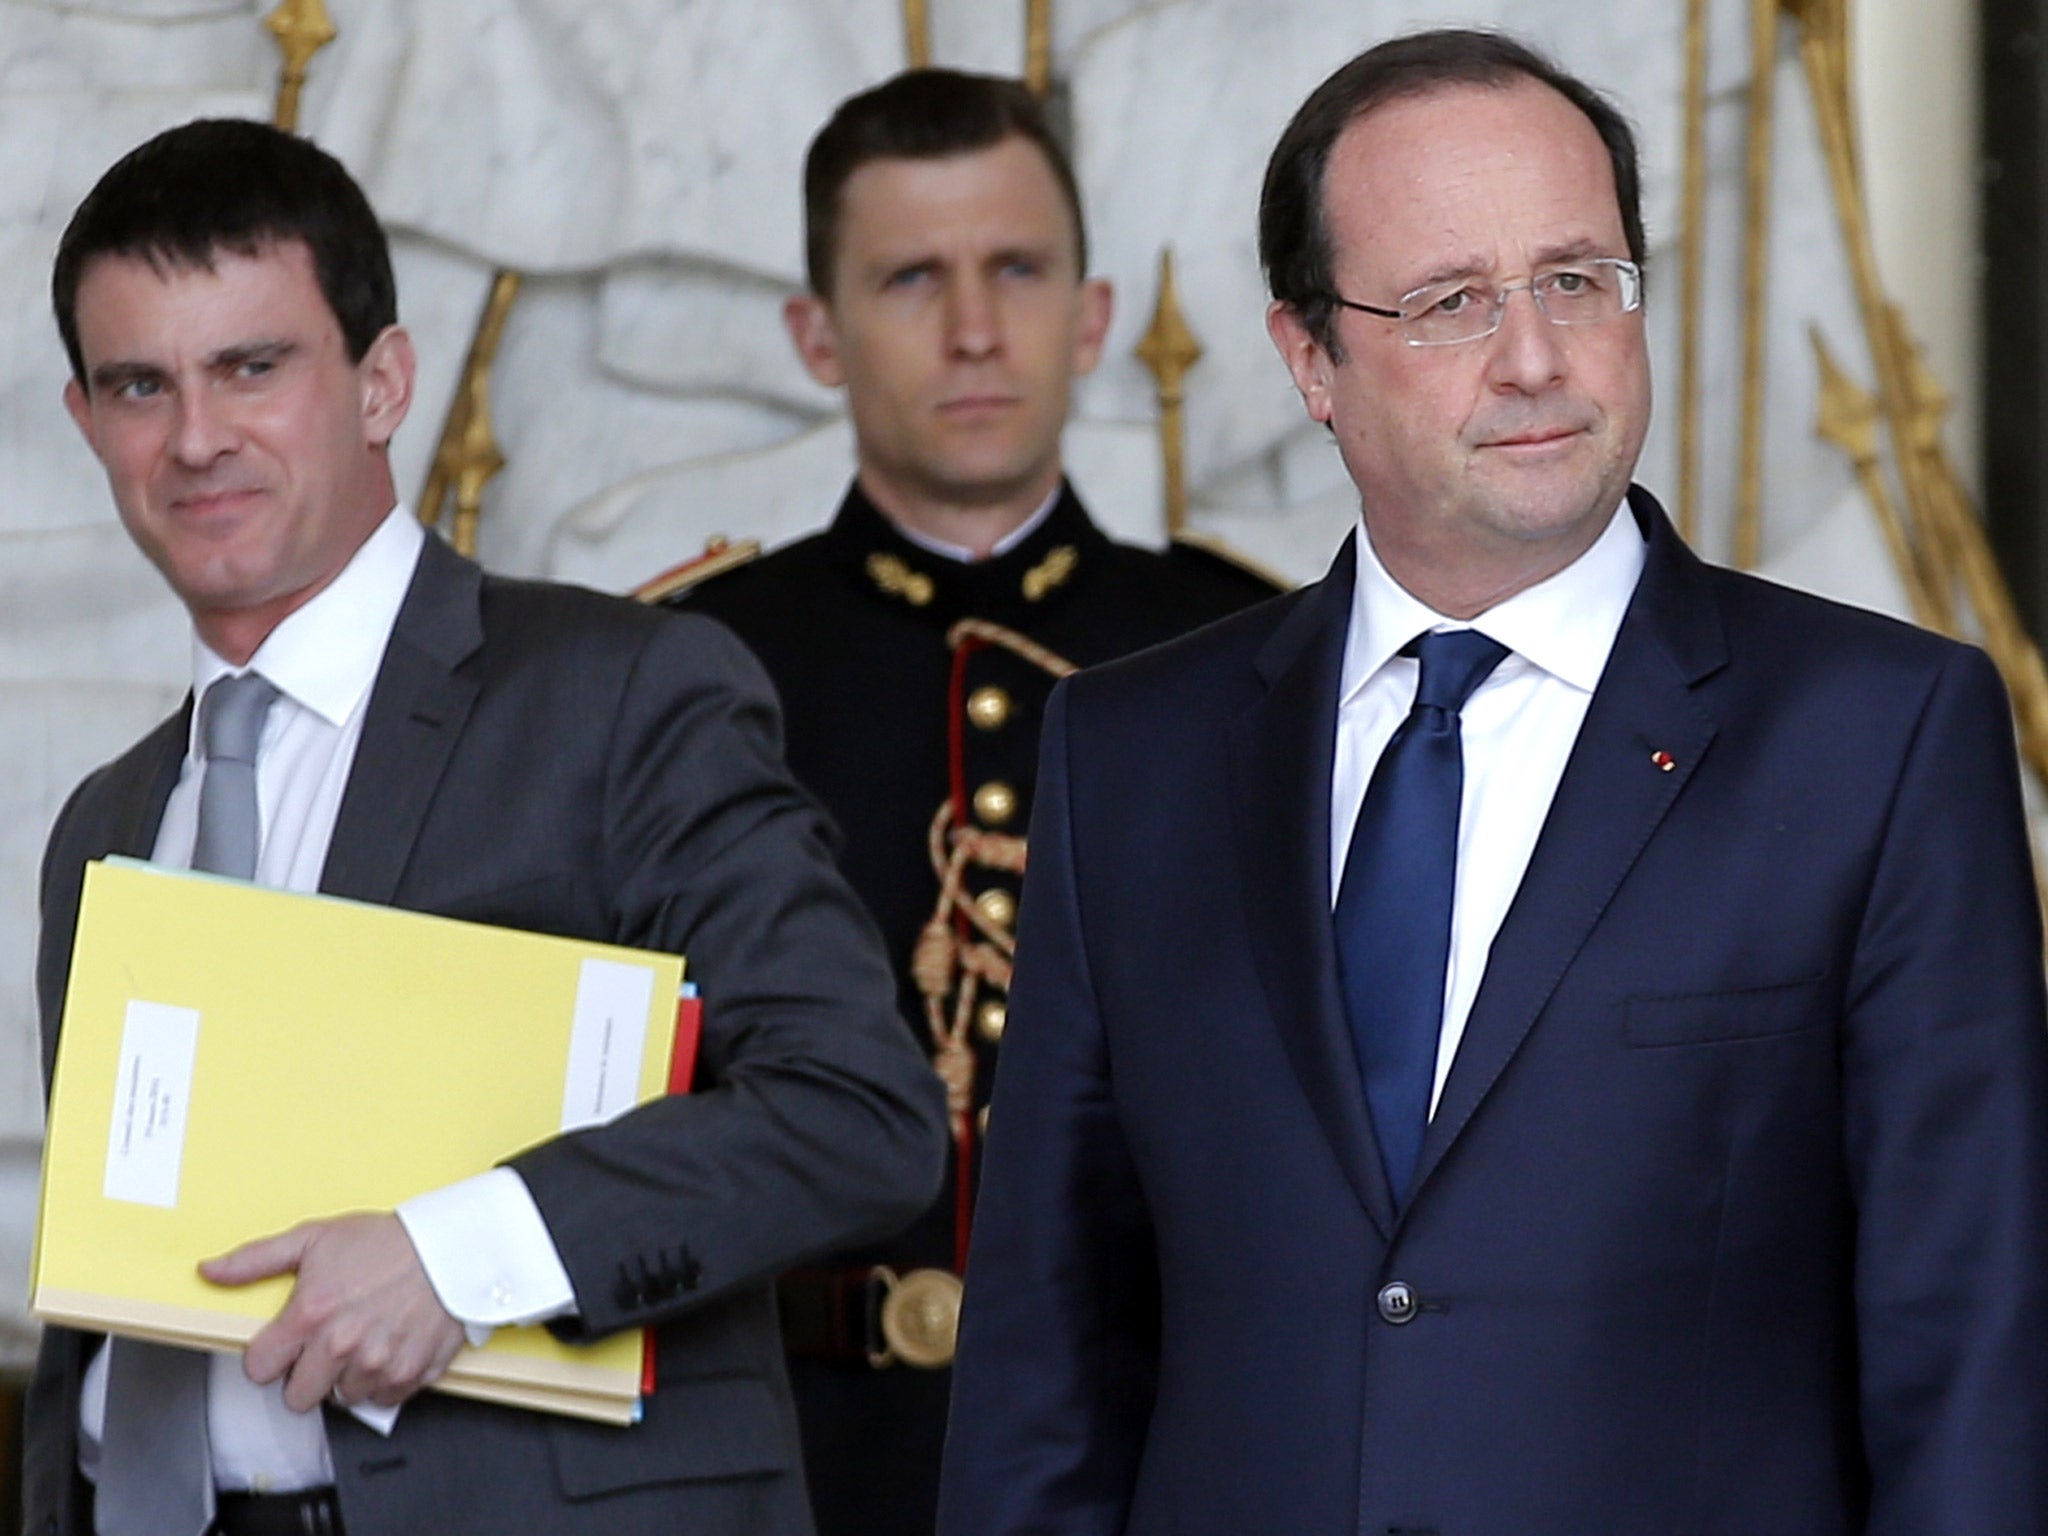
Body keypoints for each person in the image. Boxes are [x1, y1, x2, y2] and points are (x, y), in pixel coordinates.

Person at [937, 29, 2048, 1536]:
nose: (1536, 357)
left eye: (1579, 281)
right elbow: (1044, 1360)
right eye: (1454, 301)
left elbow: (1972, 1350)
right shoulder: (1128, 758)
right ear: (1308, 359)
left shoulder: (1879, 737)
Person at [25, 117, 948, 1536]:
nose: (196, 436)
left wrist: (464, 1259)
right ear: (88, 422)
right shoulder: (103, 829)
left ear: (384, 382)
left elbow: (859, 1115)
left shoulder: (623, 692)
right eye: (140, 386)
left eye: (252, 367)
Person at [649, 68, 1278, 1536]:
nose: (977, 328)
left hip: (1171, 1464)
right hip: (785, 1468)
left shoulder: (1258, 662)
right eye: (911, 279)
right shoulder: (687, 674)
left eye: (1016, 269)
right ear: (818, 333)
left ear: (1095, 313)